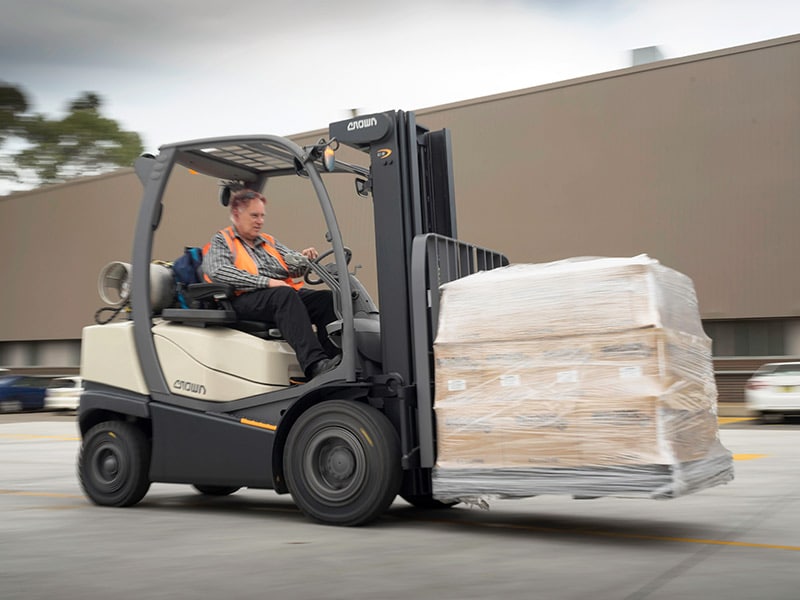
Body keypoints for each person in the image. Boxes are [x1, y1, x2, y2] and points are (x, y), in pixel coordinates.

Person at [202, 189, 339, 380]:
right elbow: (218, 272)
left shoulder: (269, 241)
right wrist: (266, 282)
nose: (260, 221)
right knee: (284, 294)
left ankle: (335, 361)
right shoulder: (222, 240)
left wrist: (304, 261)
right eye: (254, 215)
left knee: (326, 299)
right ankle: (315, 364)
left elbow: (292, 267)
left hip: (278, 295)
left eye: (262, 216)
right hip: (242, 298)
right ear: (236, 214)